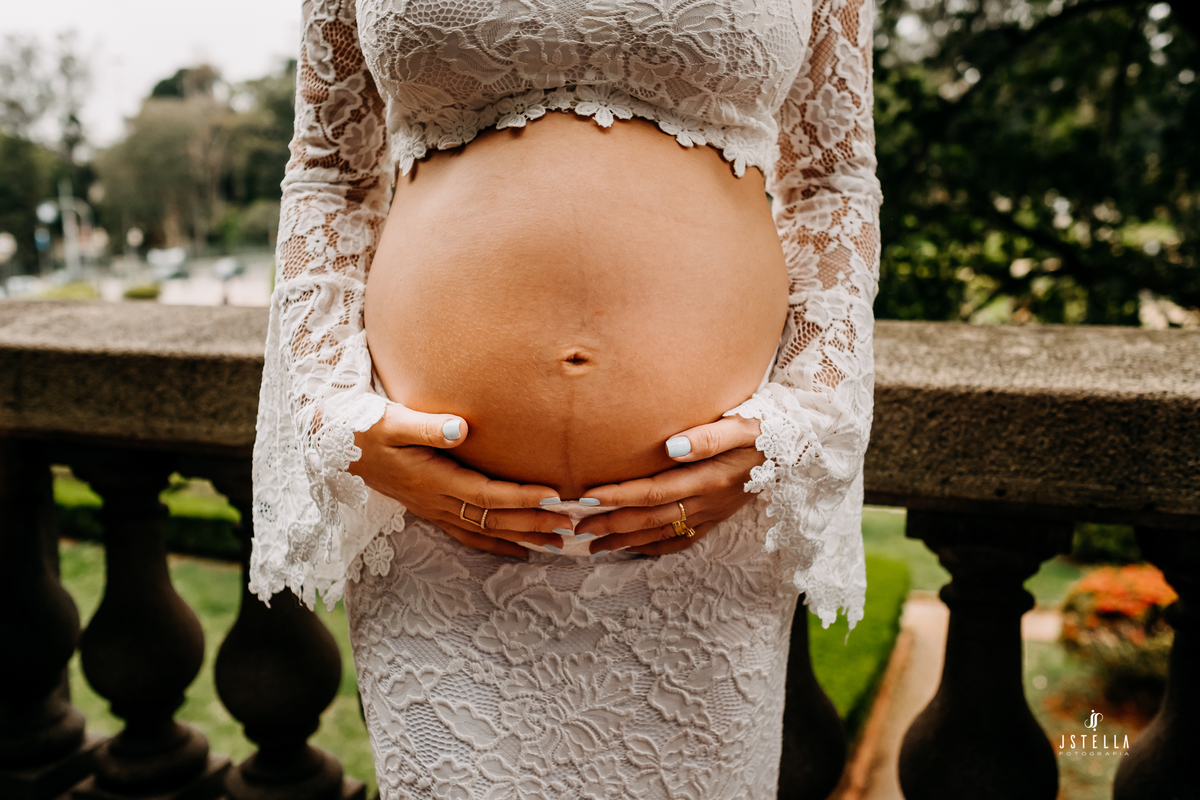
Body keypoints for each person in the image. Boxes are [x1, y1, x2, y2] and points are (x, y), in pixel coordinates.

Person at [249, 0, 881, 793]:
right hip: (439, 531)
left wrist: (804, 419)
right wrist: (333, 413)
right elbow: (329, 173)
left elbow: (833, 183)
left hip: (704, 525)